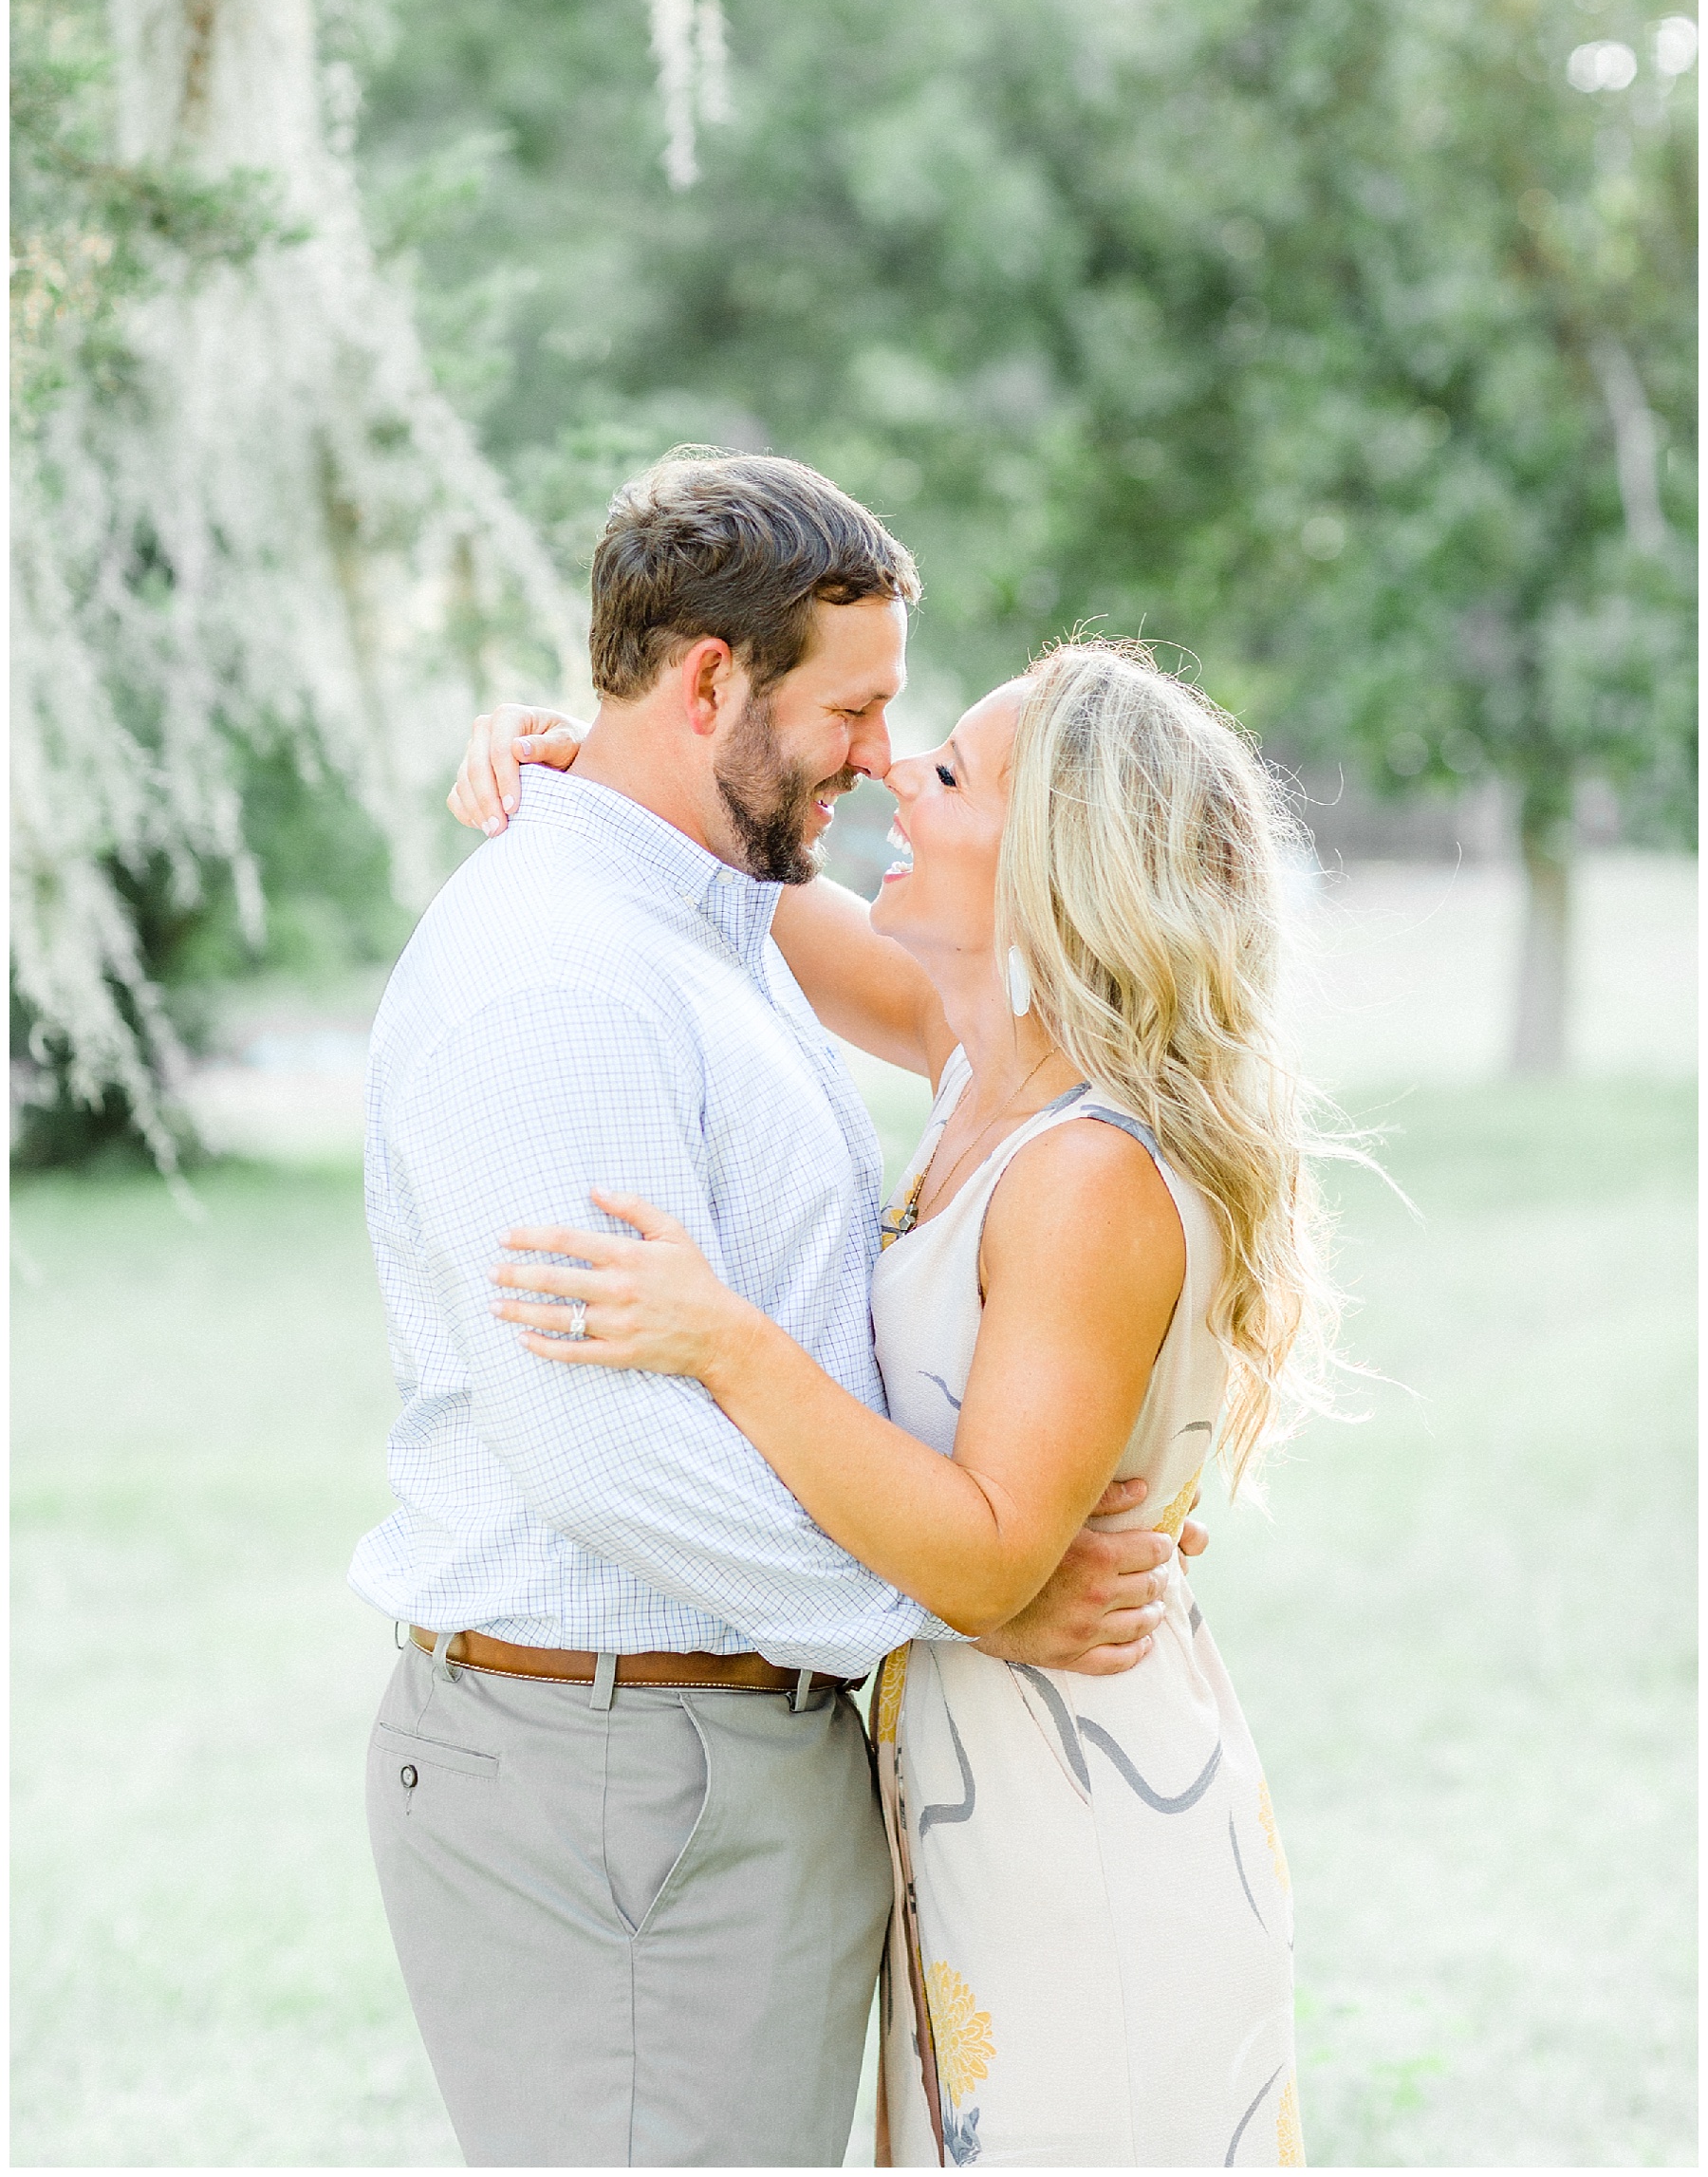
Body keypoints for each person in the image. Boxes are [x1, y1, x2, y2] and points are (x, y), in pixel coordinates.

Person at [353, 448, 1193, 2170]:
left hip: (773, 1761)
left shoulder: (731, 928)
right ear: (712, 683)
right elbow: (605, 1458)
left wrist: (592, 768)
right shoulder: (558, 977)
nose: (885, 759)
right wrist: (945, 1610)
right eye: (863, 713)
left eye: (923, 743)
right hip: (623, 1776)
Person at [472, 635, 1327, 2168]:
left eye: (947, 772)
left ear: (1054, 856)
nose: (891, 778)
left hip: (1087, 1835)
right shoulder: (977, 1062)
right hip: (971, 1818)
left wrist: (725, 1340)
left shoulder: (1086, 1173)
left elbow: (994, 1559)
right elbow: (714, 854)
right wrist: (578, 768)